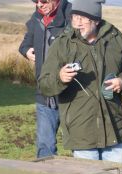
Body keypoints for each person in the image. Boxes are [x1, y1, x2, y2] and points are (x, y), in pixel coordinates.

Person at [37, 0, 122, 163]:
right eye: (74, 17)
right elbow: (44, 84)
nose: (77, 22)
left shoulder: (115, 38)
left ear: (96, 20)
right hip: (81, 130)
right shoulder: (62, 43)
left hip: (114, 129)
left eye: (83, 18)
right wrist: (60, 78)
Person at [18, 0, 73, 159]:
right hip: (44, 92)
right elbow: (25, 43)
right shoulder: (36, 18)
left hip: (71, 94)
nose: (39, 4)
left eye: (44, 1)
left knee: (80, 146)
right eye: (36, 1)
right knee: (45, 146)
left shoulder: (73, 16)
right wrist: (26, 50)